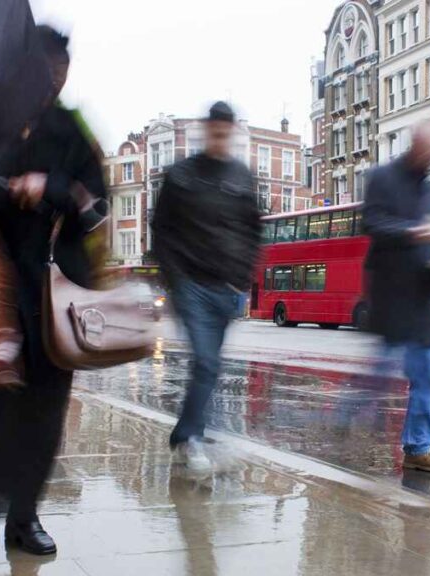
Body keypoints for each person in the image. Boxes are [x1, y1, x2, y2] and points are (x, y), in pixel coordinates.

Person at [0, 28, 108, 556]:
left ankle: (24, 516)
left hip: (49, 294)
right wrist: (5, 186)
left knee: (43, 408)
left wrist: (51, 187)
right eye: (46, 70)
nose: (55, 82)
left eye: (62, 72)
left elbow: (96, 207)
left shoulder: (73, 132)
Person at [152, 101, 262, 472]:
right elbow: (162, 228)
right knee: (206, 362)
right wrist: (175, 277)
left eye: (225, 131)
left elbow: (252, 229)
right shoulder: (181, 175)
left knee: (210, 368)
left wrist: (242, 277)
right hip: (190, 285)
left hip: (226, 286)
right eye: (214, 130)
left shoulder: (241, 177)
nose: (219, 137)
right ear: (206, 129)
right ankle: (194, 440)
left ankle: (185, 433)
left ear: (231, 132)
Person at [362, 123, 430, 473]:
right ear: (415, 145)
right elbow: (372, 223)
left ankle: (418, 448)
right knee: (376, 379)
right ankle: (342, 424)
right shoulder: (382, 177)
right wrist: (412, 233)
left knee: (426, 375)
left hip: (422, 296)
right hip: (391, 292)